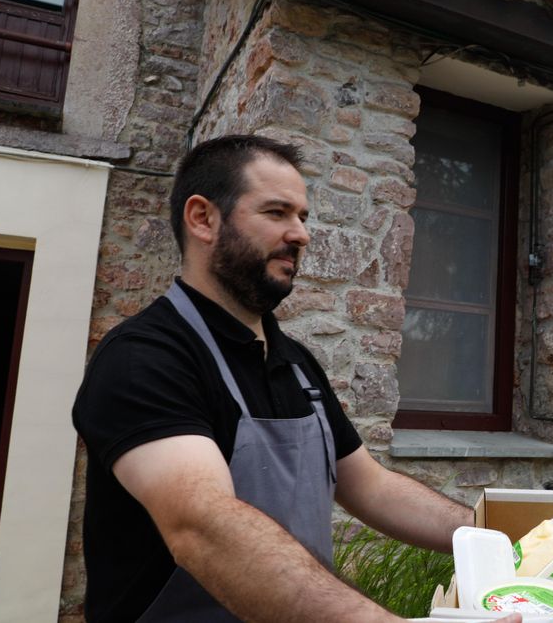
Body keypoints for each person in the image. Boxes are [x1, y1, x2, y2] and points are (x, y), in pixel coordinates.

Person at [72, 135, 520, 622]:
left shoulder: (296, 364)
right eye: (276, 212)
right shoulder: (145, 358)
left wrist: (503, 541)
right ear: (203, 219)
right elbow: (202, 526)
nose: (301, 234)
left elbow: (372, 488)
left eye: (302, 216)